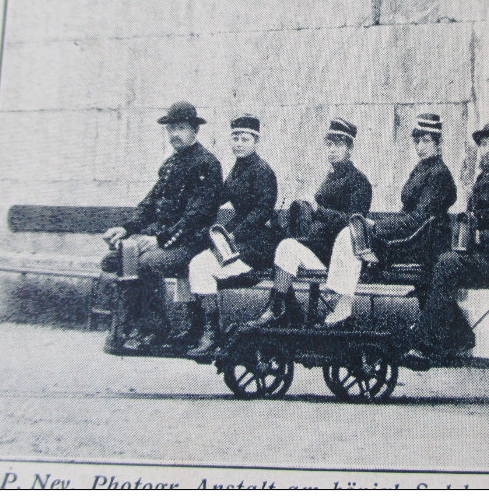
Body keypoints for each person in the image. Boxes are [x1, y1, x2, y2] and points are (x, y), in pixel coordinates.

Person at [404, 122, 489, 364]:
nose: (486, 150)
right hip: (487, 258)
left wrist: (479, 237)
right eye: (483, 144)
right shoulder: (484, 179)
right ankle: (458, 336)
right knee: (433, 262)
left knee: (447, 264)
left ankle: (427, 345)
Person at [100, 101, 222, 351]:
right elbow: (150, 202)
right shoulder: (170, 165)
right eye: (170, 129)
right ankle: (132, 325)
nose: (174, 134)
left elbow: (195, 216)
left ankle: (157, 329)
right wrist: (127, 228)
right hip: (167, 240)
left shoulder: (206, 165)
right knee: (119, 258)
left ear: (194, 131)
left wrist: (160, 240)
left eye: (181, 128)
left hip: (192, 243)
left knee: (146, 263)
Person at [319, 113, 457, 328]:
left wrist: (378, 226)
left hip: (427, 241)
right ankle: (341, 297)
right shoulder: (423, 168)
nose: (420, 146)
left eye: (427, 141)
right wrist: (380, 227)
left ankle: (343, 303)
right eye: (417, 141)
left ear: (438, 144)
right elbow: (408, 213)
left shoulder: (438, 174)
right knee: (354, 235)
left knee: (353, 236)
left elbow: (420, 219)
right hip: (417, 234)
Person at [250, 118, 373, 326]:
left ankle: (319, 314)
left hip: (340, 257)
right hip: (319, 248)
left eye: (339, 145)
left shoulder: (359, 182)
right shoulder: (330, 177)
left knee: (289, 246)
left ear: (350, 148)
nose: (332, 150)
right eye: (330, 144)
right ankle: (277, 307)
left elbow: (354, 224)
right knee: (286, 247)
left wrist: (318, 210)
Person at [185, 114, 279, 358]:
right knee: (198, 262)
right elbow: (220, 196)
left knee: (202, 265)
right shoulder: (238, 168)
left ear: (255, 141)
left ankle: (210, 332)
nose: (238, 143)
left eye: (244, 138)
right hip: (236, 238)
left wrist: (234, 236)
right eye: (235, 138)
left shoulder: (262, 171)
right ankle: (204, 328)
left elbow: (262, 211)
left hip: (258, 242)